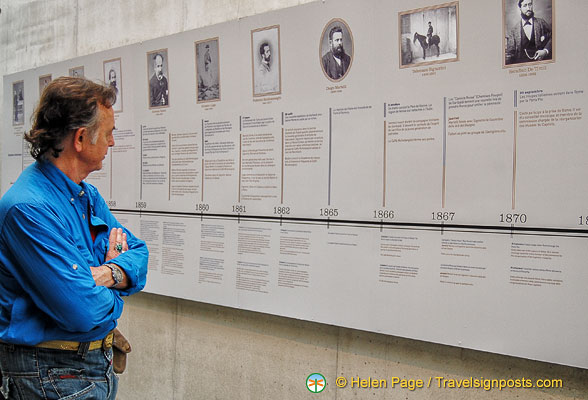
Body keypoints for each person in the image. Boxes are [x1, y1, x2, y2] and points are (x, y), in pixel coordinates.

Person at [0, 76, 148, 400]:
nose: (112, 143)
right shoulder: (27, 209)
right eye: (108, 133)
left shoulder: (86, 195)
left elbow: (139, 253)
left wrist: (108, 273)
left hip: (93, 366)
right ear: (80, 138)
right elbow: (82, 310)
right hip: (50, 373)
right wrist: (118, 291)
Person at [505, 0, 552, 65]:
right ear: (520, 8)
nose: (528, 8)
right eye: (525, 5)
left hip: (540, 64)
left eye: (530, 4)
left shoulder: (541, 23)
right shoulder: (514, 31)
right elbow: (509, 54)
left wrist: (545, 51)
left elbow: (553, 36)